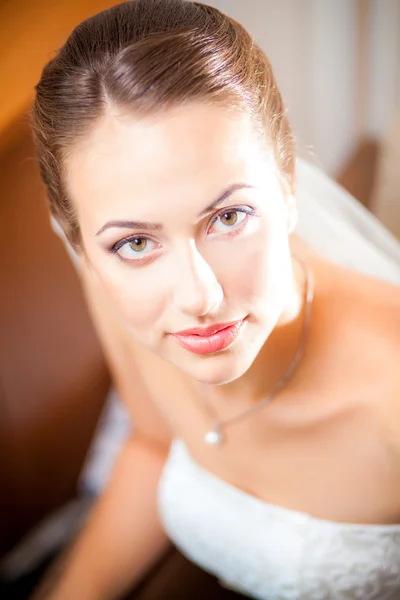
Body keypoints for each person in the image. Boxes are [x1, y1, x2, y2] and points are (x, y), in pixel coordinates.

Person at [29, 0, 400, 598]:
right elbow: (153, 442)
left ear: (289, 186)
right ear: (80, 244)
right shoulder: (120, 299)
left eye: (229, 216)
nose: (200, 296)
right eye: (134, 243)